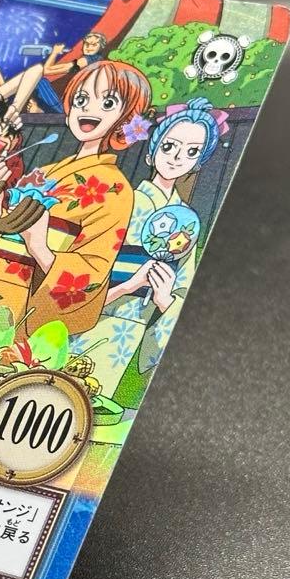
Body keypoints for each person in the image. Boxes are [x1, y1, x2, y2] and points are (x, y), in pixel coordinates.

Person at [0, 59, 152, 342]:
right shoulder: (47, 172)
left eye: (107, 102)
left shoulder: (116, 189)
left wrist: (40, 247)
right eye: (81, 99)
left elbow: (93, 269)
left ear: (127, 118)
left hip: (33, 299)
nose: (88, 109)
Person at [74, 97, 229, 408]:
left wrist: (165, 299)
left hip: (133, 323)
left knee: (93, 398)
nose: (177, 158)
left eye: (192, 152)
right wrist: (129, 285)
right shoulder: (121, 200)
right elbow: (83, 266)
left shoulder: (186, 221)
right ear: (152, 150)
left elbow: (182, 285)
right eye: (169, 146)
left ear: (199, 162)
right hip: (95, 307)